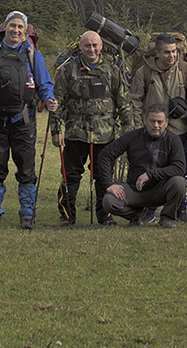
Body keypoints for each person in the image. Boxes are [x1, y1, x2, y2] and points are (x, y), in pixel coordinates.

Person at [0, 11, 57, 230]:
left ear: (24, 30)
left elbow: (44, 82)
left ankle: (27, 215)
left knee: (26, 168)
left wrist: (49, 99)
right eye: (12, 26)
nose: (16, 30)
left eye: (20, 27)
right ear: (5, 28)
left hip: (23, 119)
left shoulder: (32, 55)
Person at [51, 30, 130, 227]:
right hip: (75, 132)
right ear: (81, 47)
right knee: (70, 177)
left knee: (103, 177)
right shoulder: (68, 70)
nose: (91, 49)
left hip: (105, 134)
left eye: (95, 45)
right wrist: (55, 130)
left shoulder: (112, 70)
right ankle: (67, 217)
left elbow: (123, 102)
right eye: (87, 45)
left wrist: (129, 130)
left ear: (101, 46)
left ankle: (105, 216)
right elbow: (57, 101)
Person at [128, 32, 187, 224]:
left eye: (174, 52)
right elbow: (135, 101)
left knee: (180, 172)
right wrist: (139, 129)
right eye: (167, 52)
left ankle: (179, 211)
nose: (171, 56)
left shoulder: (186, 71)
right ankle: (150, 211)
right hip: (151, 132)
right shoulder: (144, 72)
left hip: (179, 132)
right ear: (157, 53)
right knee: (150, 171)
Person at [97, 105, 186, 228]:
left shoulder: (173, 140)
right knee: (109, 201)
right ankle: (138, 215)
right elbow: (105, 155)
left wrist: (150, 175)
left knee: (179, 182)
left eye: (159, 122)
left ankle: (167, 218)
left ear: (166, 123)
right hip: (135, 190)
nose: (156, 125)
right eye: (152, 121)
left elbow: (179, 168)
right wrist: (109, 184)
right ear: (144, 120)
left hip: (160, 190)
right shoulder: (133, 137)